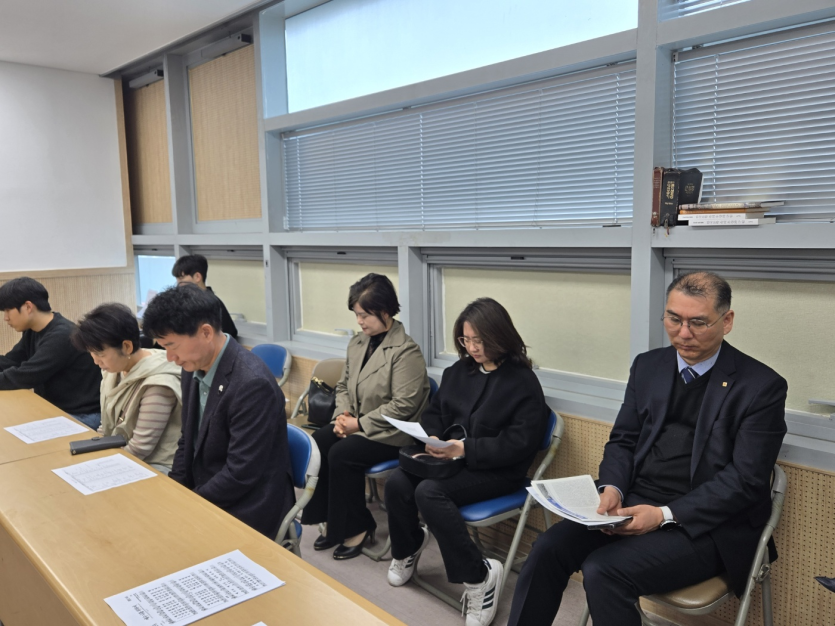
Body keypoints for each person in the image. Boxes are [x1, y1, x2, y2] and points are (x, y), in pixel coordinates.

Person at [507, 271, 788, 626]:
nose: (683, 333)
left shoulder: (761, 386)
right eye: (674, 319)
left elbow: (745, 481)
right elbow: (624, 439)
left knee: (603, 571)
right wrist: (613, 488)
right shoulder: (648, 366)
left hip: (706, 524)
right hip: (634, 500)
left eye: (698, 322)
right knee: (548, 548)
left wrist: (663, 514)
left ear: (726, 321)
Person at [385, 297, 549, 626]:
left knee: (429, 491)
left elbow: (520, 443)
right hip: (452, 462)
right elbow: (435, 413)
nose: (472, 348)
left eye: (479, 340)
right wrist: (432, 438)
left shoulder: (523, 382)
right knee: (397, 482)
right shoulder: (458, 371)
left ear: (499, 336)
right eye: (466, 339)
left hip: (499, 470)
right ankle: (408, 547)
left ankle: (480, 577)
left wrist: (464, 449)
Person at [142, 284, 293, 537]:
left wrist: (188, 504)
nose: (169, 357)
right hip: (208, 487)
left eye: (172, 346)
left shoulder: (252, 384)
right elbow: (187, 440)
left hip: (249, 502)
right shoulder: (192, 365)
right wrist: (174, 491)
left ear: (205, 332)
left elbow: (241, 474)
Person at [301, 273, 430, 560]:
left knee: (342, 453)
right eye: (356, 315)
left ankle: (358, 526)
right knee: (320, 441)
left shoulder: (406, 351)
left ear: (385, 311)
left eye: (364, 315)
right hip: (357, 423)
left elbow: (404, 405)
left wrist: (358, 423)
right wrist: (342, 416)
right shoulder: (358, 343)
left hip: (394, 433)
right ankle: (332, 520)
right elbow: (344, 386)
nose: (359, 321)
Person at [72, 303, 182, 474]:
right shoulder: (114, 370)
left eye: (100, 354)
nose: (96, 361)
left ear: (127, 347)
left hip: (156, 464)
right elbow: (106, 426)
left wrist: (100, 467)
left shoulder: (158, 383)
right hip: (122, 452)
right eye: (92, 354)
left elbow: (140, 448)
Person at [0, 277, 101, 428]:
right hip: (56, 410)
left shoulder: (63, 335)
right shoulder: (33, 330)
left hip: (83, 415)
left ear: (28, 307)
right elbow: (10, 361)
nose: (5, 318)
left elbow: (26, 375)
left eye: (8, 310)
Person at [171, 254, 238, 340]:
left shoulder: (213, 304)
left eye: (181, 278)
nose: (178, 283)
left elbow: (229, 335)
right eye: (177, 279)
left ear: (197, 277)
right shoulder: (184, 301)